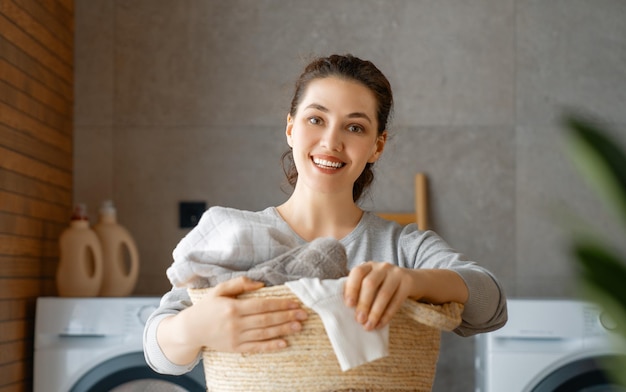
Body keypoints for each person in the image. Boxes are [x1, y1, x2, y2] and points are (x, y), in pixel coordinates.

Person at [143, 54, 507, 375]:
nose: (331, 142)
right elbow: (158, 350)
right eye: (316, 119)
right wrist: (192, 329)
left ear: (377, 145)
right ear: (290, 127)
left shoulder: (403, 247)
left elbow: (492, 305)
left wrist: (416, 282)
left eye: (354, 127)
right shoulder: (234, 234)